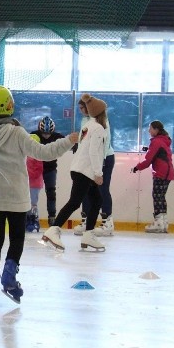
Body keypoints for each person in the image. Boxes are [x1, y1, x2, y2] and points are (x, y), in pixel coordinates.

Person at [0, 86, 77, 304]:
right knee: (16, 238)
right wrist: (69, 140)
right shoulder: (16, 132)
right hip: (16, 198)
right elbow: (44, 152)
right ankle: (9, 275)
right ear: (9, 105)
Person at [42, 94, 109, 253]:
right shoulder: (98, 128)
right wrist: (98, 173)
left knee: (97, 200)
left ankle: (88, 235)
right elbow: (93, 152)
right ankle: (54, 229)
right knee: (75, 202)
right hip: (85, 171)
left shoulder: (88, 126)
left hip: (80, 169)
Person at [73, 100, 116, 236]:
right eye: (79, 108)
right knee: (86, 189)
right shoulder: (84, 121)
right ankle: (86, 220)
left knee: (102, 189)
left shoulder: (102, 121)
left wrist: (100, 161)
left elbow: (105, 141)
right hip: (90, 159)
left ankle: (107, 221)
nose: (81, 111)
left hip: (104, 158)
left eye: (83, 108)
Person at [133, 120, 174, 233]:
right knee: (160, 197)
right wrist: (148, 149)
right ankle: (163, 222)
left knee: (157, 196)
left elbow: (148, 161)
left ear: (156, 130)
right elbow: (158, 153)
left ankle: (158, 223)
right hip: (168, 172)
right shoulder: (163, 140)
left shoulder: (156, 141)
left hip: (161, 173)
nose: (148, 130)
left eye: (150, 128)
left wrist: (136, 168)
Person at [30, 116, 65, 226]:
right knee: (31, 193)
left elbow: (66, 142)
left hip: (50, 169)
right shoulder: (34, 135)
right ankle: (30, 216)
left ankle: (52, 216)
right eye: (44, 134)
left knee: (51, 192)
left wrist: (75, 145)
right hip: (36, 169)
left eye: (48, 134)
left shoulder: (57, 136)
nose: (46, 136)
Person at [25, 135, 44, 233]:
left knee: (33, 203)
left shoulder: (37, 155)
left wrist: (27, 174)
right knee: (27, 203)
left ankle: (34, 219)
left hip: (34, 184)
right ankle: (28, 219)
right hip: (27, 184)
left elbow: (38, 170)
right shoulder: (26, 154)